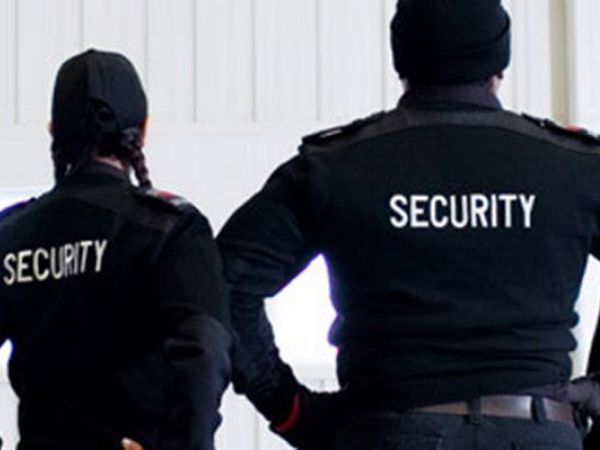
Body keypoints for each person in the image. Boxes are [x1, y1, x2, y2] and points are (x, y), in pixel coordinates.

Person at [217, 0, 600, 448]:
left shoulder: (336, 166)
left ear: (400, 60)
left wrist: (290, 409)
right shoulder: (574, 167)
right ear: (501, 63)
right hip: (539, 432)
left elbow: (222, 284)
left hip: (390, 432)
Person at [0, 50, 231, 450]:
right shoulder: (169, 228)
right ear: (142, 130)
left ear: (54, 132)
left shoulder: (11, 233)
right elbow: (205, 351)